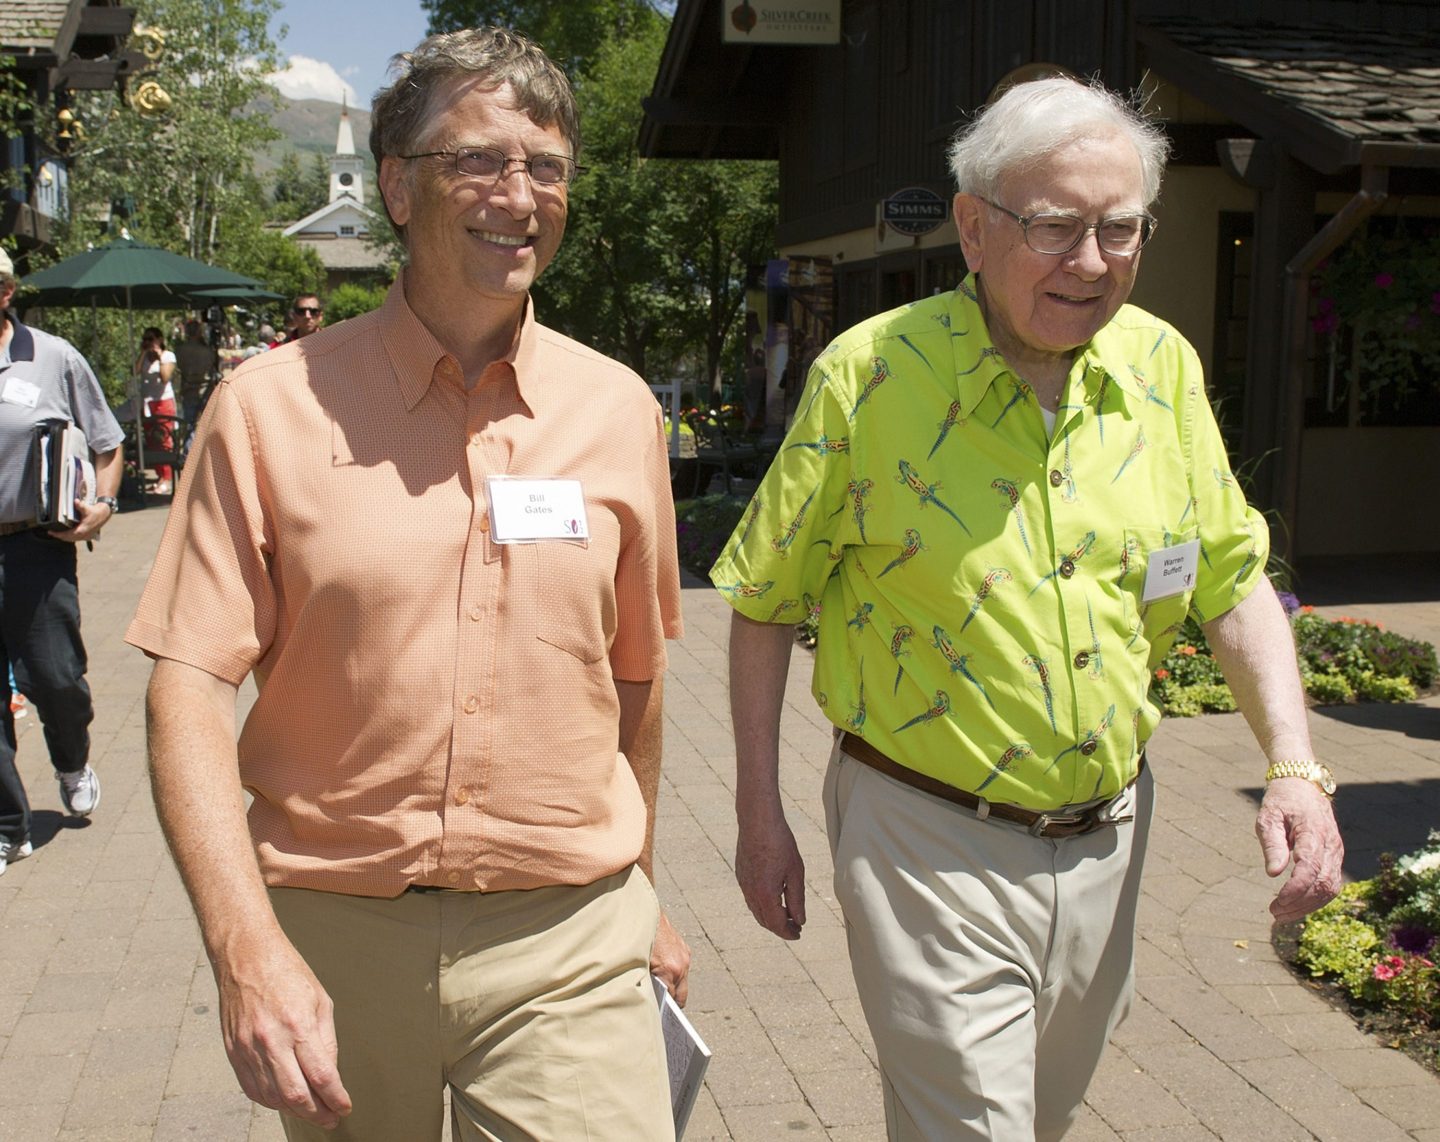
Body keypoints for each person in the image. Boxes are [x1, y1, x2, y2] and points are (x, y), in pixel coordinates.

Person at [711, 75, 1343, 1142]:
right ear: (974, 225)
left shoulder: (1162, 367)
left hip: (1110, 832)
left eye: (1120, 228)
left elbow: (1232, 579)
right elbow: (768, 601)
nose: (1091, 263)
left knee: (1038, 1115)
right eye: (1055, 226)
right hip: (924, 828)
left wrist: (1295, 762)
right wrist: (758, 812)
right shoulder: (869, 377)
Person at [127, 26, 687, 1141]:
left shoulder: (619, 410)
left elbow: (639, 682)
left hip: (567, 934)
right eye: (478, 159)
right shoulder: (269, 410)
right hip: (336, 937)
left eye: (547, 167)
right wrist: (245, 947)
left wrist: (648, 894)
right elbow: (186, 686)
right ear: (394, 184)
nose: (517, 195)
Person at [0, 246, 123, 876]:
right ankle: (8, 827)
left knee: (56, 681)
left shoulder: (51, 358)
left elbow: (107, 441)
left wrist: (102, 504)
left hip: (35, 547)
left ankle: (71, 760)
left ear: (4, 292)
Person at [134, 325, 178, 494]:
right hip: (147, 403)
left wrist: (159, 357)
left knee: (163, 440)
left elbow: (165, 377)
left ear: (159, 340)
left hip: (163, 402)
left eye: (150, 339)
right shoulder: (145, 357)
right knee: (152, 441)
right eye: (145, 339)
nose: (147, 342)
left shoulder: (168, 356)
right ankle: (160, 475)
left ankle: (167, 478)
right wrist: (144, 353)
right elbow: (135, 371)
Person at [174, 317, 218, 421]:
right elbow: (212, 368)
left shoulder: (180, 350)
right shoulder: (207, 351)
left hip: (188, 390)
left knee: (190, 424)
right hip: (204, 390)